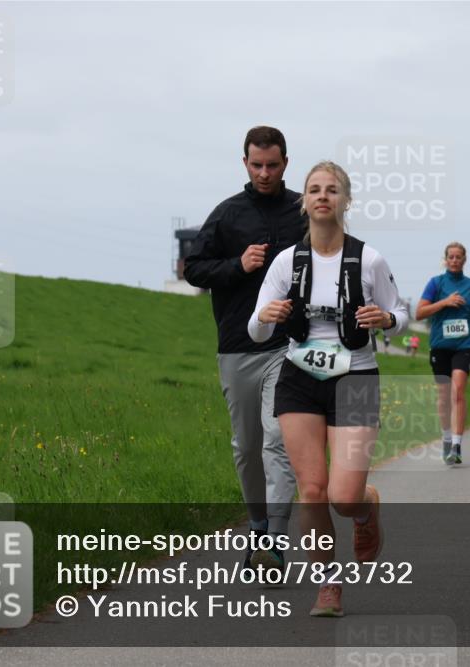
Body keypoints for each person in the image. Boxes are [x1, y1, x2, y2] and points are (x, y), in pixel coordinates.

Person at [248, 160, 408, 617]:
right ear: (304, 200)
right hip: (299, 378)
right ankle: (328, 584)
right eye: (315, 189)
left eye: (332, 190)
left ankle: (365, 508)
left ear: (346, 201)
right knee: (313, 490)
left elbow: (401, 315)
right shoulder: (286, 262)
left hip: (355, 377)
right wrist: (267, 317)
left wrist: (386, 319)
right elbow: (256, 330)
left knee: (343, 495)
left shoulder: (369, 260)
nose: (323, 196)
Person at [184, 126, 304, 573]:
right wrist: (239, 264)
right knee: (248, 447)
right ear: (245, 163)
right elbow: (194, 269)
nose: (264, 173)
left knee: (277, 441)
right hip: (237, 346)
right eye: (257, 165)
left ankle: (275, 539)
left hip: (289, 345)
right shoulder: (227, 214)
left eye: (272, 165)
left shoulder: (303, 212)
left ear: (285, 163)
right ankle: (257, 525)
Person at [416, 242, 470, 465]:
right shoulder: (435, 283)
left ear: (464, 260)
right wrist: (445, 302)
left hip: (465, 344)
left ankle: (456, 445)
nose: (455, 260)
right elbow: (419, 312)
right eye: (451, 257)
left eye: (458, 257)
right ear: (445, 260)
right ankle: (446, 438)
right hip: (440, 345)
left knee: (457, 391)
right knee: (444, 396)